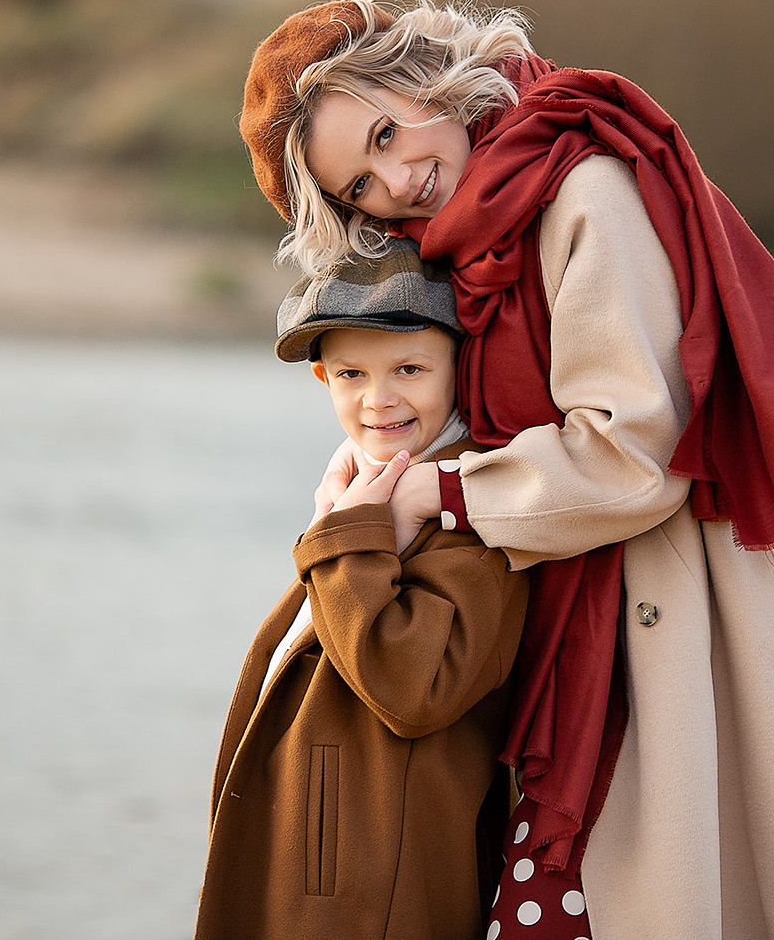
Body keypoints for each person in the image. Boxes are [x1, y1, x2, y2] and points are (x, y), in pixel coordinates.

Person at [238, 0, 774, 940]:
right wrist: (365, 478)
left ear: (420, 72)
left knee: (644, 896)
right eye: (360, 186)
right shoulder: (465, 231)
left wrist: (436, 491)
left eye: (386, 134)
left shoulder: (580, 187)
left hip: (653, 606)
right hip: (557, 596)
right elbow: (442, 397)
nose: (397, 179)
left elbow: (636, 454)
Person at [194, 240, 529, 940]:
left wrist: (346, 538)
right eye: (352, 373)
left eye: (410, 368)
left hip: (369, 898)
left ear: (460, 366)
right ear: (323, 378)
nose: (379, 398)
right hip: (319, 874)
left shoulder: (472, 511)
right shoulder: (361, 488)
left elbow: (414, 688)